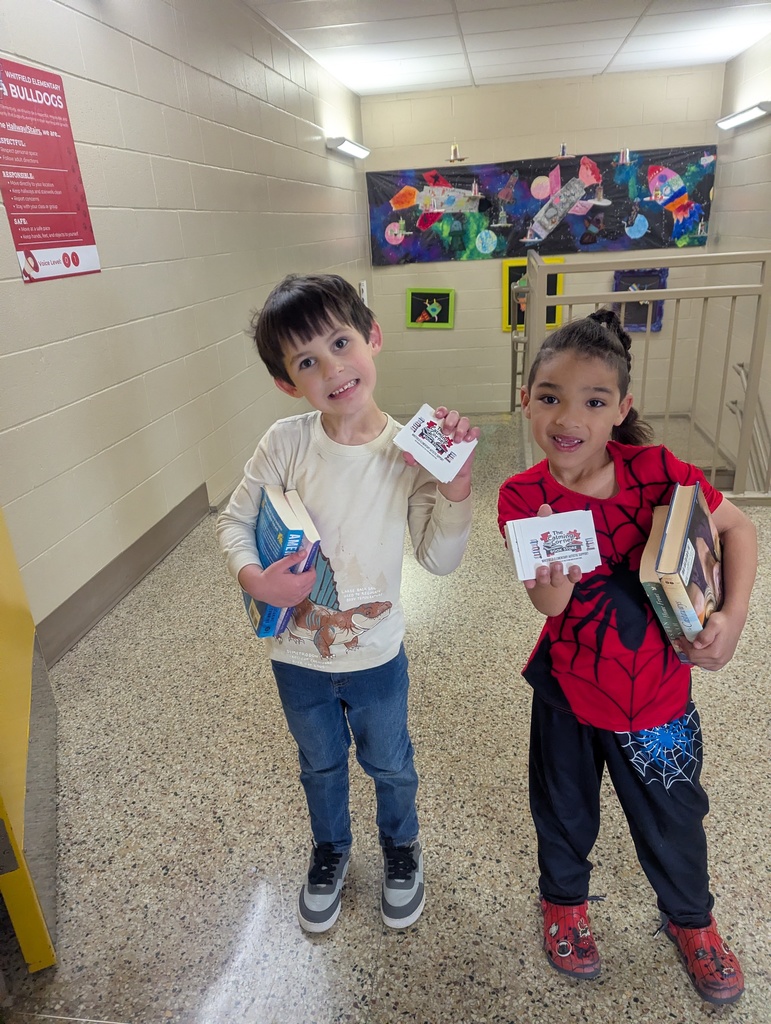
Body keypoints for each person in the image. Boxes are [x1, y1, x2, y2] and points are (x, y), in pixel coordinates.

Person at [497, 309, 757, 1005]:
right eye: (548, 396)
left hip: (658, 697)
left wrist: (730, 620)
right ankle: (563, 903)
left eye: (592, 400)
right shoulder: (522, 496)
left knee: (673, 815)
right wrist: (552, 572)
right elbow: (548, 610)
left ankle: (691, 922)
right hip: (567, 691)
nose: (566, 417)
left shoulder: (656, 470)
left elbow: (736, 528)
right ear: (525, 400)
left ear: (620, 409)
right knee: (561, 810)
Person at [217, 273, 478, 934]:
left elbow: (439, 561)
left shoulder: (413, 451)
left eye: (341, 343)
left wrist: (456, 490)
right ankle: (330, 850)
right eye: (307, 361)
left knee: (391, 766)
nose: (332, 368)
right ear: (287, 382)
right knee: (320, 765)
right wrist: (256, 580)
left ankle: (401, 849)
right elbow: (234, 522)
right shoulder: (285, 443)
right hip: (296, 657)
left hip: (377, 658)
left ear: (374, 338)